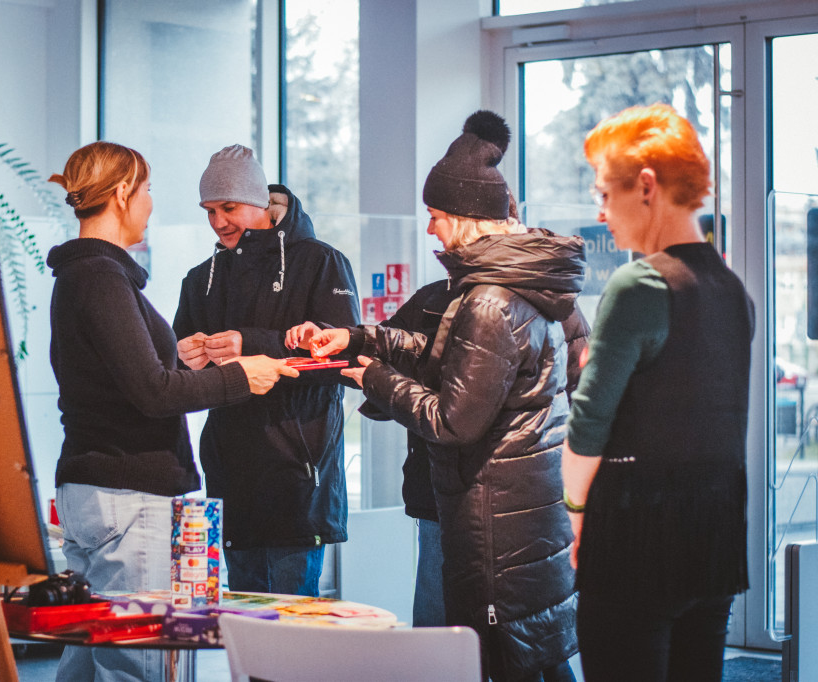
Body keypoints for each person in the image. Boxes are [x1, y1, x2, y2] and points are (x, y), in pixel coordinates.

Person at [288, 111, 582, 681]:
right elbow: (447, 356)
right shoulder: (519, 287)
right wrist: (355, 336)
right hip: (521, 518)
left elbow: (452, 422)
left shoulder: (489, 300)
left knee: (503, 663)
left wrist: (371, 376)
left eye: (437, 217)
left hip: (495, 523)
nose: (430, 231)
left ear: (469, 220)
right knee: (535, 662)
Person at [45, 141, 297, 682]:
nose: (151, 203)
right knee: (136, 665)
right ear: (120, 195)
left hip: (97, 490)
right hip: (128, 496)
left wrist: (173, 357)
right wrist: (240, 376)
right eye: (148, 190)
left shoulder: (82, 277)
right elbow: (154, 394)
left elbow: (118, 378)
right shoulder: (101, 278)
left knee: (91, 655)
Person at [561, 103, 754, 682]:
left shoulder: (639, 283)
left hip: (635, 535)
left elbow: (589, 425)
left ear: (646, 186)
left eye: (604, 193)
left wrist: (574, 518)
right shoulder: (733, 290)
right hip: (716, 530)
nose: (601, 212)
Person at [366, 191, 590, 629]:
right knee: (454, 634)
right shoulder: (436, 299)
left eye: (437, 218)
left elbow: (577, 394)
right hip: (446, 490)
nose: (432, 231)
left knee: (496, 636)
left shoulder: (501, 303)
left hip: (500, 492)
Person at [172, 144, 360, 597]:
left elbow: (345, 360)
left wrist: (250, 344)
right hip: (229, 481)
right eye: (209, 210)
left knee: (294, 643)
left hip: (297, 481)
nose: (218, 222)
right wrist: (185, 359)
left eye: (228, 207)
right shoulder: (200, 279)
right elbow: (178, 380)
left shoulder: (320, 262)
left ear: (259, 202)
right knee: (245, 635)